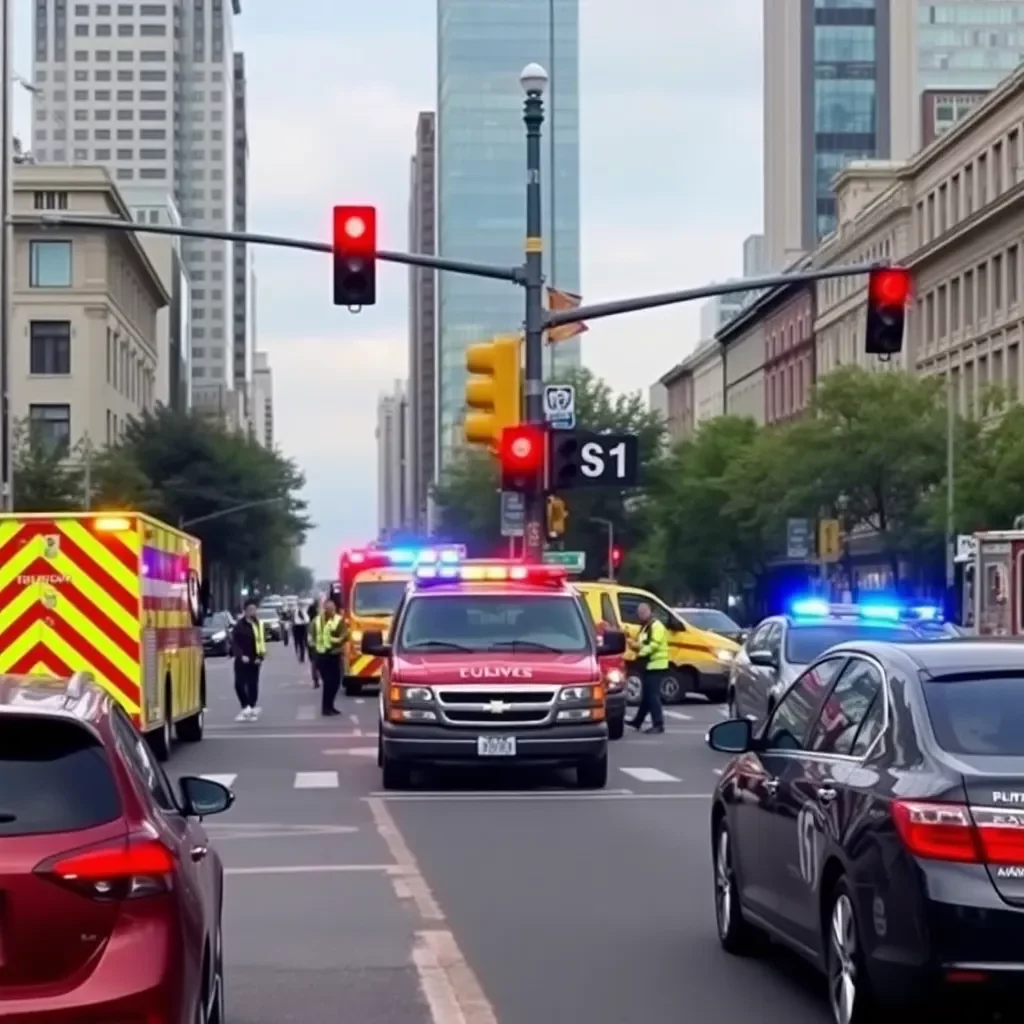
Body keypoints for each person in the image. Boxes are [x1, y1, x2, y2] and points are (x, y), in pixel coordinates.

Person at [627, 603, 667, 734]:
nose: (641, 615)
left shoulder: (656, 626)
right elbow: (644, 643)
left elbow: (654, 644)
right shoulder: (645, 627)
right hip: (648, 665)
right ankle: (638, 721)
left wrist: (640, 652)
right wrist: (634, 645)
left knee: (653, 696)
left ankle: (658, 724)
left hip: (656, 665)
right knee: (647, 696)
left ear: (649, 611)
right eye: (639, 613)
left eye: (643, 612)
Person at [231, 598, 267, 722]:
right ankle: (245, 704)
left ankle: (251, 705)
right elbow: (234, 642)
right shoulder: (239, 626)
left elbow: (262, 642)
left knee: (253, 684)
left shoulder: (259, 624)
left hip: (254, 659)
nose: (252, 612)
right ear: (245, 611)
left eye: (254, 609)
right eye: (250, 610)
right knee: (238, 684)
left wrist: (260, 657)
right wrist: (241, 655)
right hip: (242, 659)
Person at [312, 597, 346, 716]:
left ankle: (330, 706)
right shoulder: (316, 621)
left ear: (335, 608)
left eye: (332, 608)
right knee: (328, 682)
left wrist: (335, 641)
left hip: (334, 654)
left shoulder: (339, 620)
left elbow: (344, 635)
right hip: (322, 655)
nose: (330, 609)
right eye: (327, 608)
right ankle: (326, 708)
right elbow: (311, 637)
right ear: (324, 608)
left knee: (336, 682)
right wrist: (313, 648)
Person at [307, 597, 321, 687]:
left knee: (314, 663)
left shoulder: (311, 623)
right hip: (317, 646)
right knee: (316, 664)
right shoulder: (317, 622)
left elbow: (309, 637)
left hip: (314, 645)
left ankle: (316, 679)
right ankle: (316, 679)